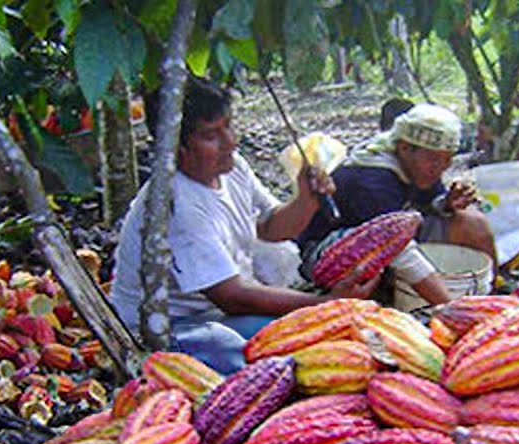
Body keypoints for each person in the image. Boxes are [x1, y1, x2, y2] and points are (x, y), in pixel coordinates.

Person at [109, 75, 378, 375]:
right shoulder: (175, 203)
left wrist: (307, 198)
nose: (230, 142)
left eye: (229, 126)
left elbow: (272, 227)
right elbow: (232, 295)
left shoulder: (232, 166)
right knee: (275, 358)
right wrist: (324, 303)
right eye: (211, 135)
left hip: (219, 315)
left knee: (300, 341)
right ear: (176, 150)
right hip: (171, 329)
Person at [297, 103, 497, 307]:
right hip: (327, 253)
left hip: (392, 244)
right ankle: (450, 310)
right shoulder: (371, 181)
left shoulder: (419, 165)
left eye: (447, 160)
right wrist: (451, 308)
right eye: (433, 159)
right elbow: (396, 244)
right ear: (404, 148)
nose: (440, 168)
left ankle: (495, 296)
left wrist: (447, 203)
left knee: (472, 222)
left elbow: (428, 204)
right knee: (395, 250)